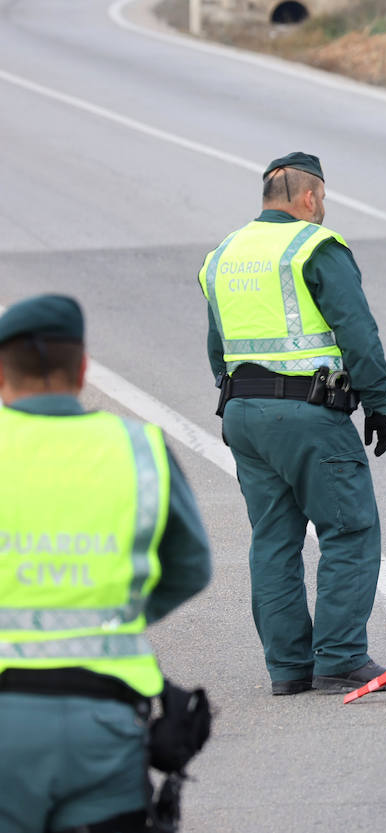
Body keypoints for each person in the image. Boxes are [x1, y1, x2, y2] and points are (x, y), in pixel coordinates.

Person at [0, 294, 213, 832]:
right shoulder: (139, 449)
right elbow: (190, 567)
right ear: (84, 369)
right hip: (105, 724)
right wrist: (114, 616)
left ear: (2, 372)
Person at [200, 152, 386, 694]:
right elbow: (356, 328)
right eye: (323, 201)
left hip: (242, 413)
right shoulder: (315, 247)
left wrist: (239, 398)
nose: (323, 210)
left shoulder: (222, 256)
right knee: (349, 528)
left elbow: (219, 348)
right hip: (308, 413)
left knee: (272, 539)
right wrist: (378, 402)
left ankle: (288, 669)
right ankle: (338, 656)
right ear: (309, 197)